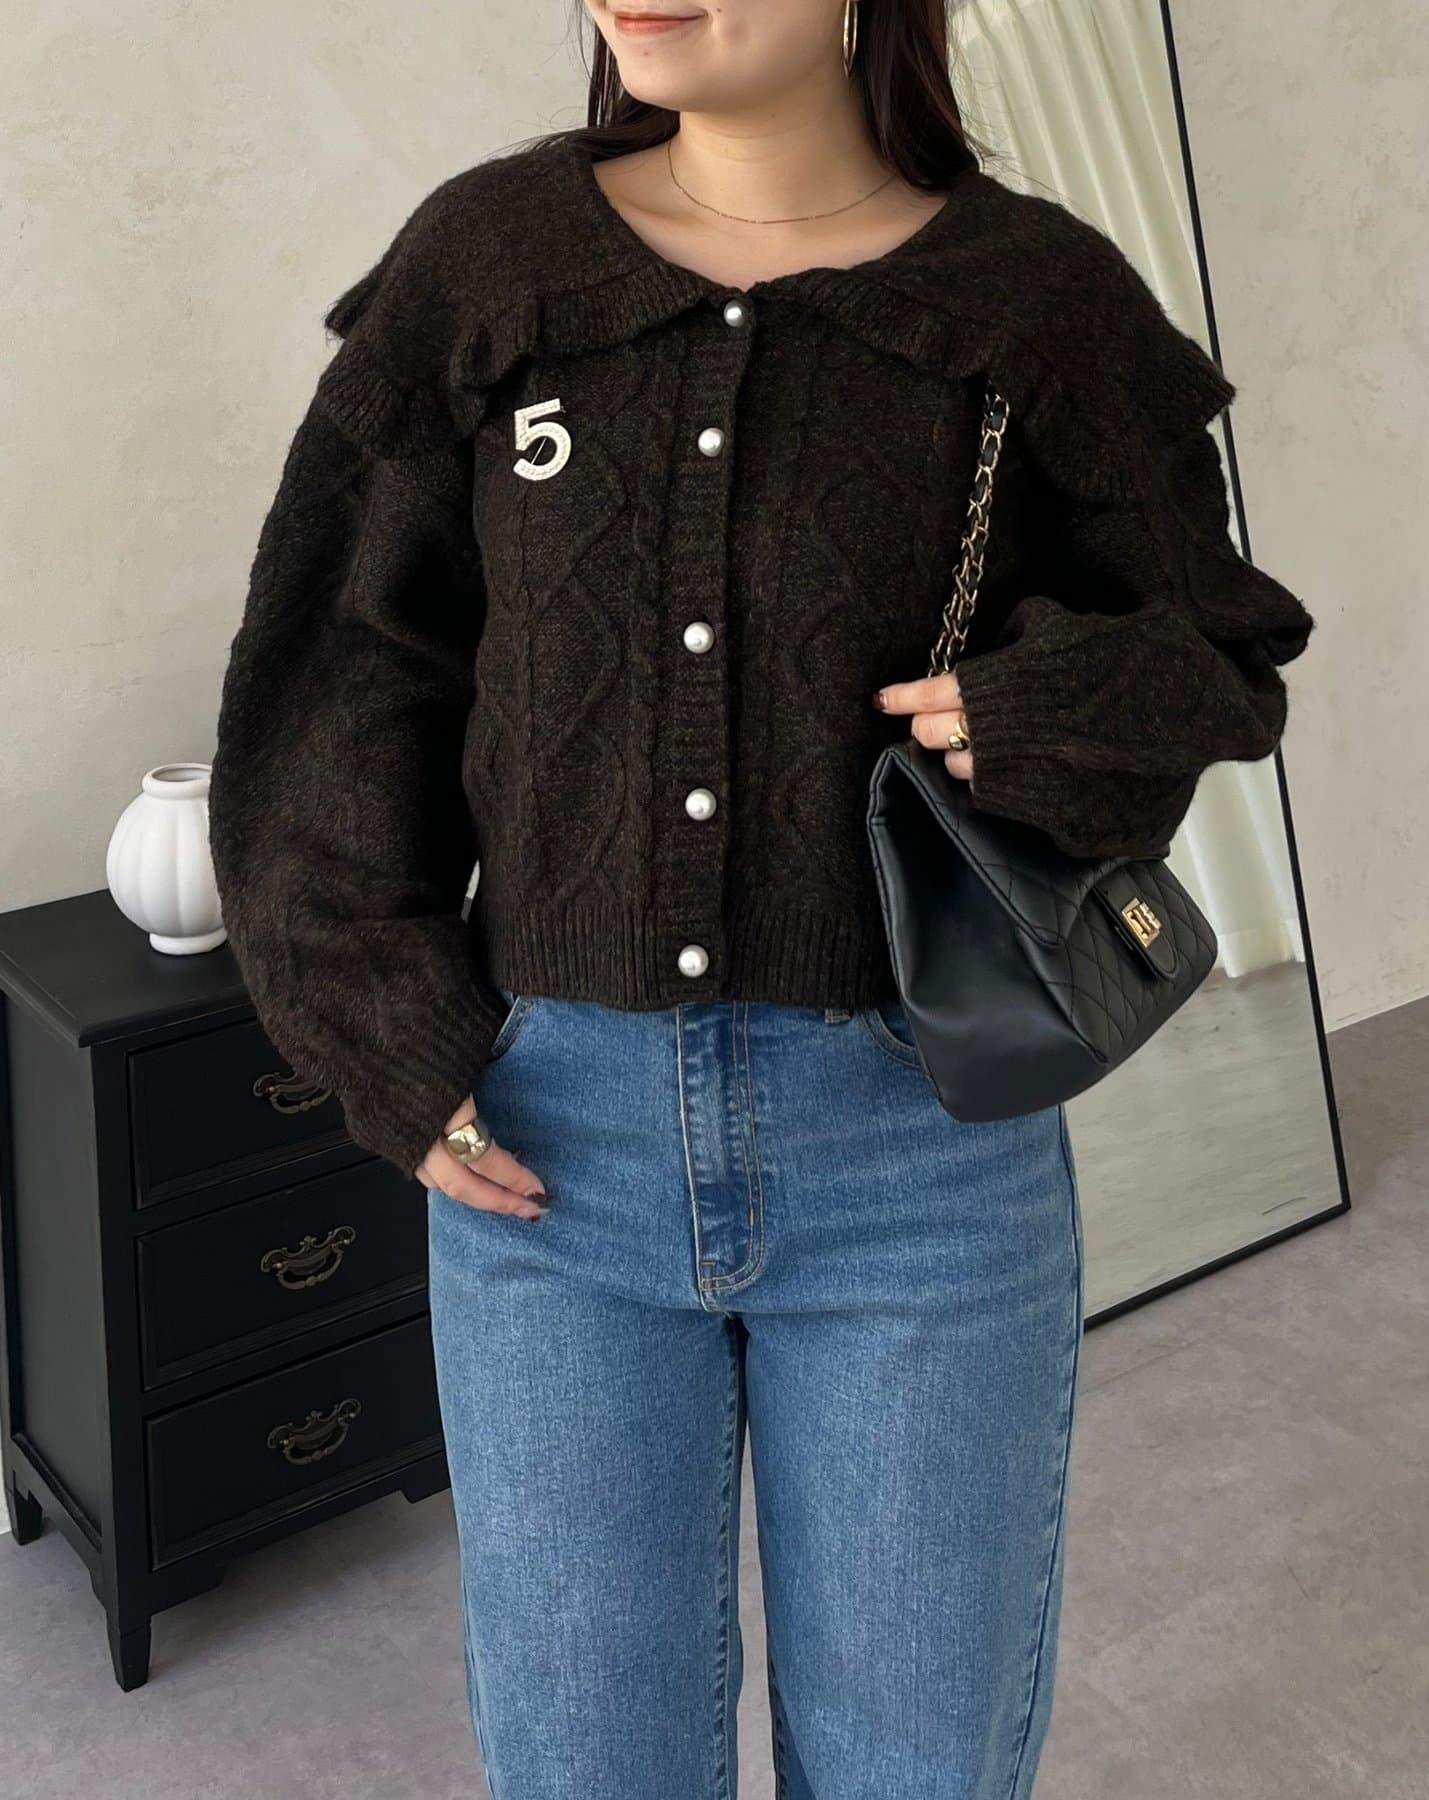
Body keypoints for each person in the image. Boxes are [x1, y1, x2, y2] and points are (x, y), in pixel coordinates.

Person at [207, 2, 1314, 1793]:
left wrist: (1039, 712)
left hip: (920, 1156)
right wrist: (381, 1030)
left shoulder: (1038, 300)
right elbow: (343, 671)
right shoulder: (487, 265)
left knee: (917, 1765)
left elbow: (1221, 654)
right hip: (549, 1156)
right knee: (586, 1763)